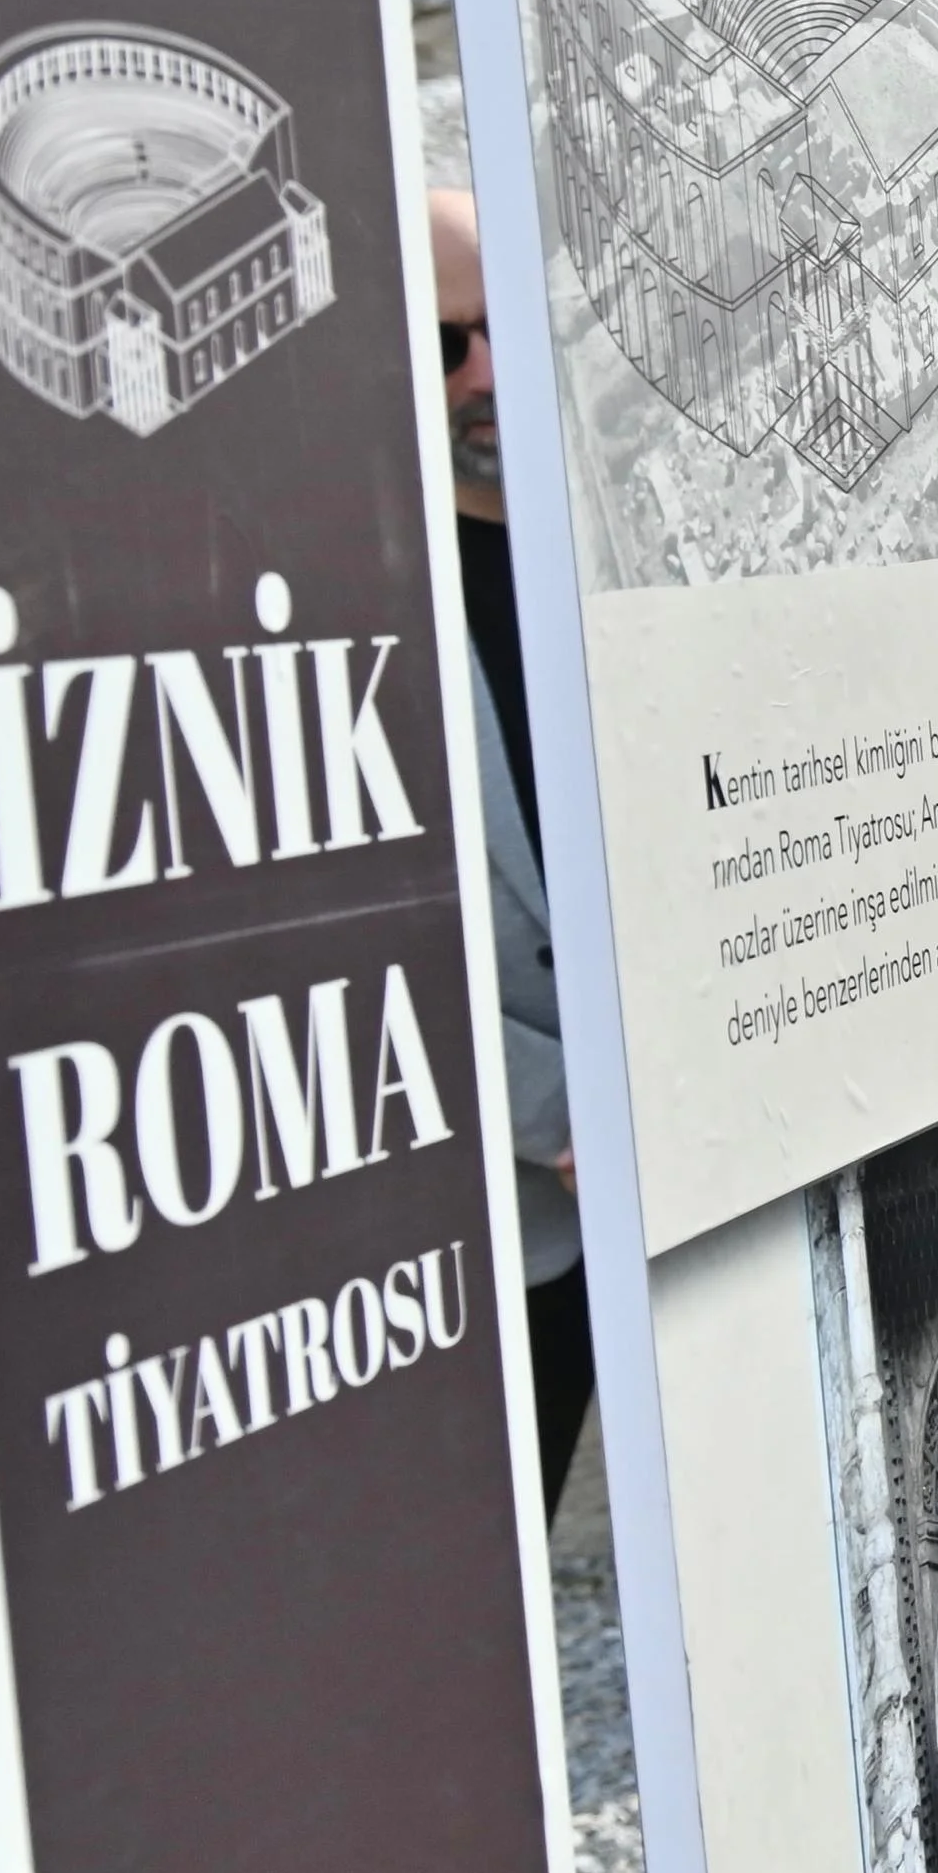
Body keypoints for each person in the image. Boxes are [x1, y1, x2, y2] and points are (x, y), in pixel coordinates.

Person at [431, 188, 594, 1509]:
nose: (489, 376)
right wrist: (557, 1109)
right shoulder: (338, 603)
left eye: (508, 331)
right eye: (442, 347)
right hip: (504, 1214)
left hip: (718, 1190)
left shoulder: (622, 557)